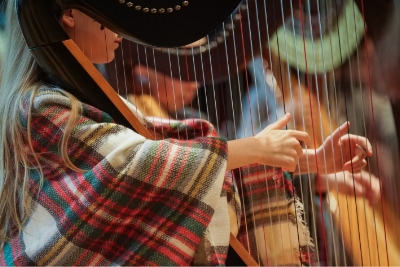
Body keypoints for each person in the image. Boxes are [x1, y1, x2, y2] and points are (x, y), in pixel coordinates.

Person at [0, 1, 373, 266]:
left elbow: (175, 157)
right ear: (69, 15)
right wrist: (257, 147)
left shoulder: (85, 103)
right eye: (107, 18)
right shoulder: (38, 109)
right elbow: (137, 165)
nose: (120, 33)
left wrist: (307, 161)